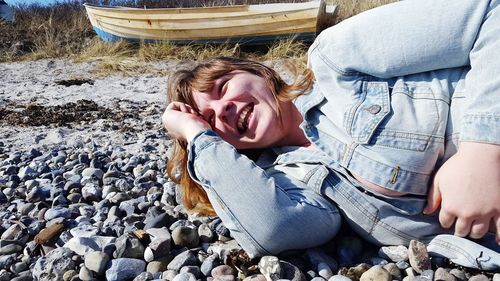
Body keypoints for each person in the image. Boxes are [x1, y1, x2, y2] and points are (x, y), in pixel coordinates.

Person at [162, 0, 500, 270]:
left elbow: (489, 14)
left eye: (222, 88)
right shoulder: (287, 182)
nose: (224, 110)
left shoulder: (336, 61)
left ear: (257, 72)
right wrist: (198, 138)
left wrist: (482, 150)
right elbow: (274, 228)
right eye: (210, 119)